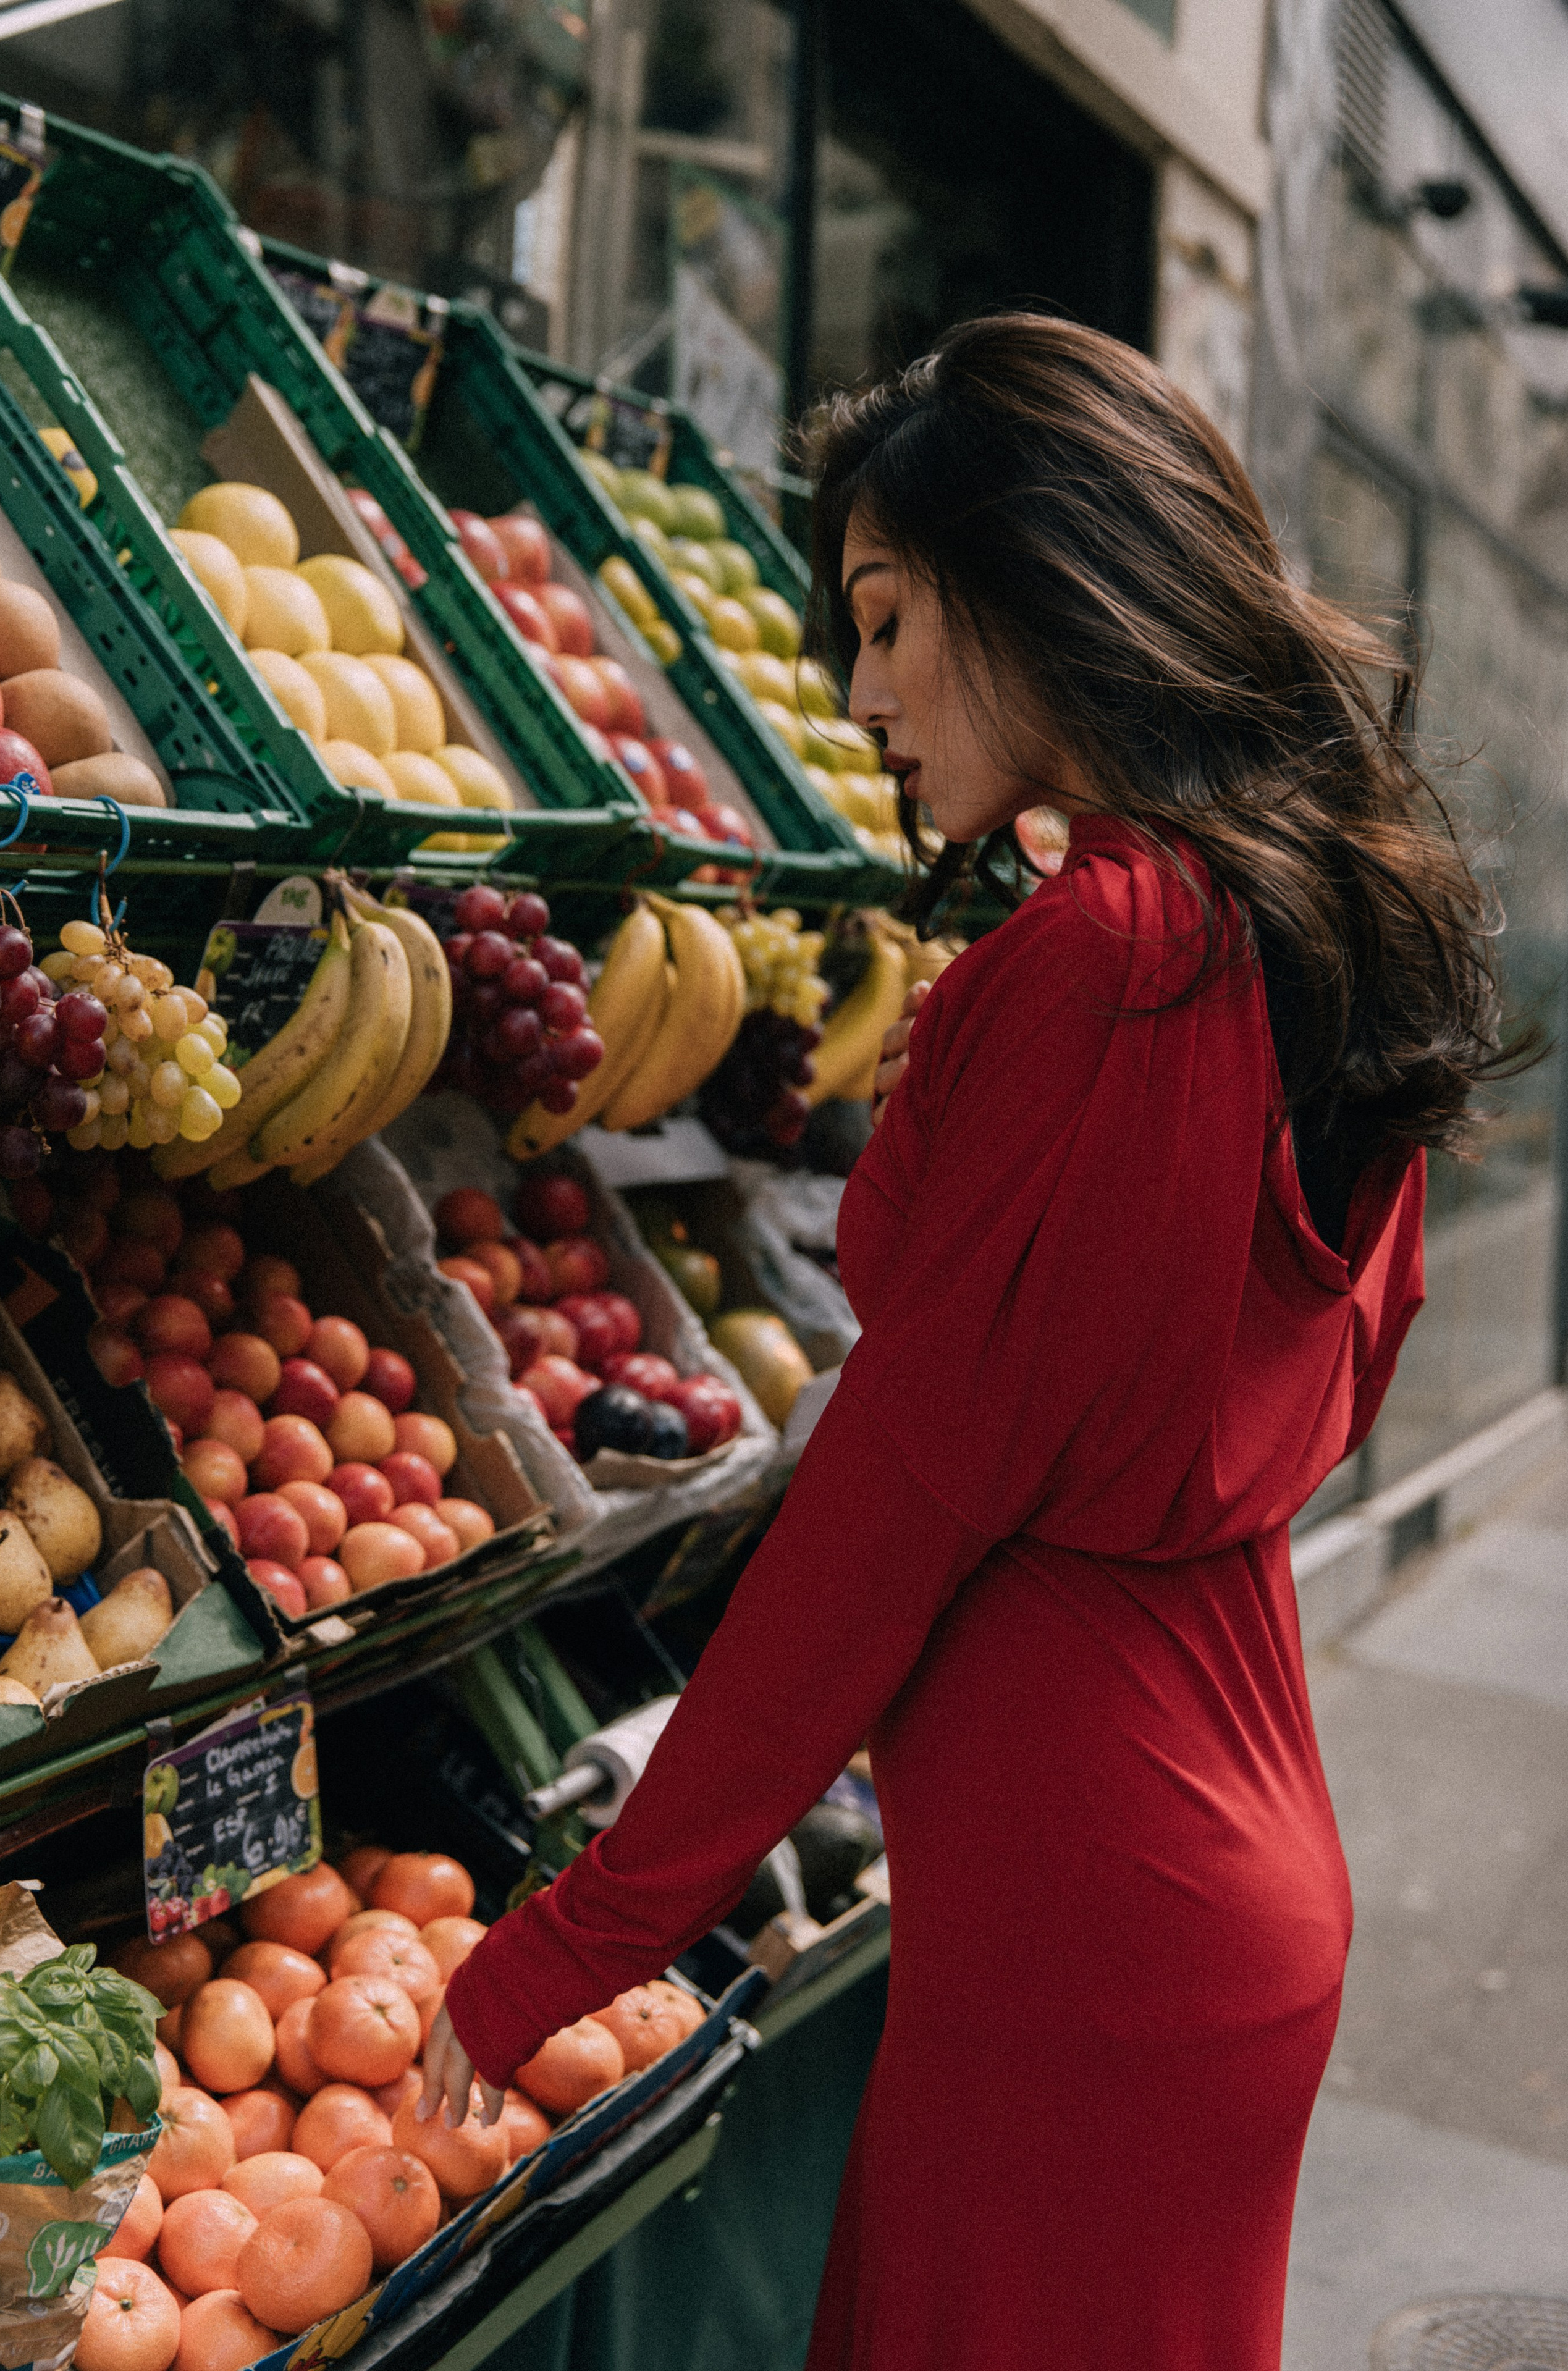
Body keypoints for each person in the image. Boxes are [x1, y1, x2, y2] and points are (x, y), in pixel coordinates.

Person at [419, 315, 1520, 2369]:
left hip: (1080, 1938)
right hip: (1236, 1860)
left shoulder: (1106, 956)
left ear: (1038, 583)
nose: (859, 691)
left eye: (891, 617)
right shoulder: (1300, 933)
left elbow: (881, 1517)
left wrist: (568, 1942)